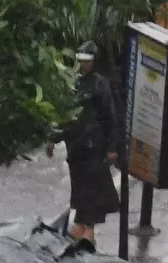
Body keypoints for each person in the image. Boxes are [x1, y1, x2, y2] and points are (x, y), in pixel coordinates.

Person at [48, 44, 122, 249]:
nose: (83, 65)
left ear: (94, 62)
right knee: (80, 185)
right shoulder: (72, 83)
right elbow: (64, 114)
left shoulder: (100, 85)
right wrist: (53, 138)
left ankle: (89, 227)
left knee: (93, 187)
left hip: (94, 145)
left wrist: (112, 147)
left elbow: (110, 118)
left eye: (87, 61)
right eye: (81, 61)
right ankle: (80, 223)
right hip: (76, 145)